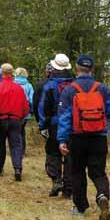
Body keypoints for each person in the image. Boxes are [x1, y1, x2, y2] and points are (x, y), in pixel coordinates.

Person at [57, 54, 110, 220]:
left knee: (77, 172)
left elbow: (64, 117)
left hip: (76, 137)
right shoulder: (102, 88)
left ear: (77, 69)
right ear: (92, 70)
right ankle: (102, 195)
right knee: (98, 172)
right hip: (99, 137)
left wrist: (62, 140)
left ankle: (80, 207)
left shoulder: (70, 89)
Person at [38, 54, 74, 198]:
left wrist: (43, 126)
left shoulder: (49, 86)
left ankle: (56, 179)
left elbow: (42, 108)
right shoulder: (75, 85)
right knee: (70, 156)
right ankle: (68, 189)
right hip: (72, 125)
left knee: (53, 153)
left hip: (54, 124)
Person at [0, 63, 29, 182]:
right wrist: (21, 117)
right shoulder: (19, 88)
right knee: (16, 145)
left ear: (2, 73)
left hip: (1, 119)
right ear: (12, 73)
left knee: (0, 145)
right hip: (15, 120)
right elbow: (25, 106)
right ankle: (17, 168)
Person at [14, 68, 34, 156]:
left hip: (14, 111)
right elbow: (31, 99)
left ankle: (16, 149)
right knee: (22, 130)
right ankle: (22, 150)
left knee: (14, 131)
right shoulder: (29, 86)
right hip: (25, 112)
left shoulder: (13, 84)